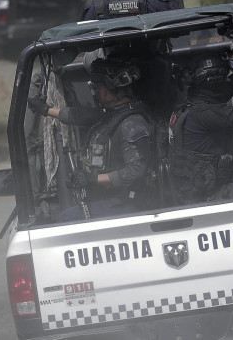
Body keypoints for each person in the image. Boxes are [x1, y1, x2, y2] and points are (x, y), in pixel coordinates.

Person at [27, 54, 155, 221]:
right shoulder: (112, 114)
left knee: (65, 218)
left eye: (98, 86)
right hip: (112, 199)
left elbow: (137, 170)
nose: (95, 91)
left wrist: (92, 179)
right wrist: (46, 110)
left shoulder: (132, 124)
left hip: (127, 202)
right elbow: (81, 115)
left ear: (108, 89)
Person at [168, 45, 233, 203]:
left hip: (199, 191)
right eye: (223, 77)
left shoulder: (195, 102)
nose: (227, 80)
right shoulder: (203, 113)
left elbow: (228, 88)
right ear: (212, 81)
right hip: (209, 196)